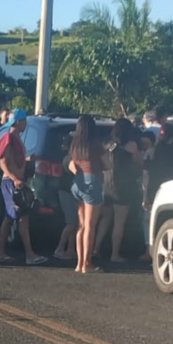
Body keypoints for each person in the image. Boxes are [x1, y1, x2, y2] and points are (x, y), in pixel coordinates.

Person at [0, 109, 47, 265]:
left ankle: (1, 252)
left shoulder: (15, 138)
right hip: (11, 182)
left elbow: (15, 159)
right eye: (24, 121)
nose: (25, 124)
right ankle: (29, 255)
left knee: (10, 218)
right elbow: (3, 161)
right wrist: (15, 177)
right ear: (18, 122)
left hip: (16, 180)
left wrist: (29, 159)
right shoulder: (8, 138)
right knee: (21, 218)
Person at [94, 118, 141, 263]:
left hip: (107, 185)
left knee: (105, 217)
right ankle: (115, 254)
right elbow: (138, 165)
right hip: (123, 186)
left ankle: (95, 248)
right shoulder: (131, 146)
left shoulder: (107, 144)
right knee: (119, 222)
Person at [68, 115, 111, 273]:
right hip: (92, 182)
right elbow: (107, 165)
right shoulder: (96, 144)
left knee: (82, 225)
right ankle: (87, 263)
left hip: (77, 183)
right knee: (90, 226)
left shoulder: (75, 145)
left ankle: (79, 264)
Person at [142, 123, 173, 261]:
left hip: (154, 190)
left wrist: (145, 195)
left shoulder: (151, 151)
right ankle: (167, 248)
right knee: (170, 220)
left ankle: (148, 251)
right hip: (172, 190)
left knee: (149, 222)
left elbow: (145, 176)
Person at [54, 134, 78, 260]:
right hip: (66, 192)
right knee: (71, 222)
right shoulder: (69, 159)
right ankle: (59, 248)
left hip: (70, 192)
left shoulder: (68, 158)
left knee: (75, 222)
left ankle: (70, 249)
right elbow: (77, 172)